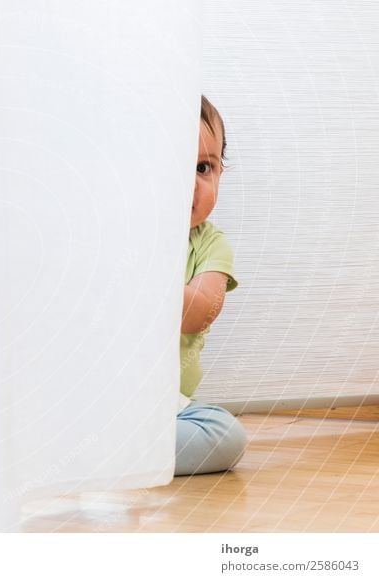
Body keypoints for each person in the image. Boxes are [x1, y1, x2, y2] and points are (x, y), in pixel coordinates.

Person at [175, 95, 247, 476]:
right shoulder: (112, 234)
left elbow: (199, 314)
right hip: (95, 395)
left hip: (168, 404)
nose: (190, 185)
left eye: (204, 167)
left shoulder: (210, 243)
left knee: (224, 435)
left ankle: (121, 453)